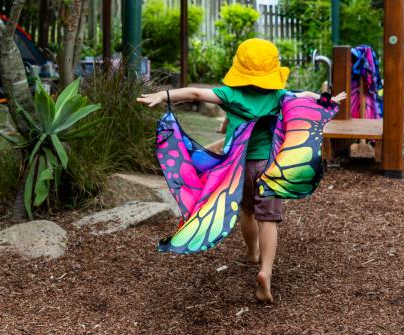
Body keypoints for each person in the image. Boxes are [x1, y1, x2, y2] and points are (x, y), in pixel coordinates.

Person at [137, 38, 344, 303]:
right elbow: (304, 97)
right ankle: (265, 272)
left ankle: (251, 252)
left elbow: (196, 94)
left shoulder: (230, 96)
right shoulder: (278, 96)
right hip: (268, 168)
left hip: (237, 169)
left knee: (247, 211)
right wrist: (327, 100)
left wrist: (163, 95)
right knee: (268, 219)